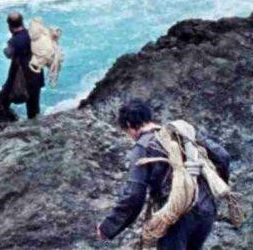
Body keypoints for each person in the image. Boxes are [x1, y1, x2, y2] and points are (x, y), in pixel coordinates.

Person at [97, 98, 230, 249]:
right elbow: (223, 156)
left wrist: (108, 227)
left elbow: (134, 195)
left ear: (128, 125)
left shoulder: (144, 146)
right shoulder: (181, 134)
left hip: (177, 213)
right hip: (207, 210)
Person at [0, 12, 44, 121]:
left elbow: (8, 54)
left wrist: (6, 49)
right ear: (22, 22)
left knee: (0, 101)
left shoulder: (14, 41)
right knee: (33, 110)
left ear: (9, 26)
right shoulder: (33, 35)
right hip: (37, 77)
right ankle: (35, 128)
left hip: (21, 79)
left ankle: (5, 126)